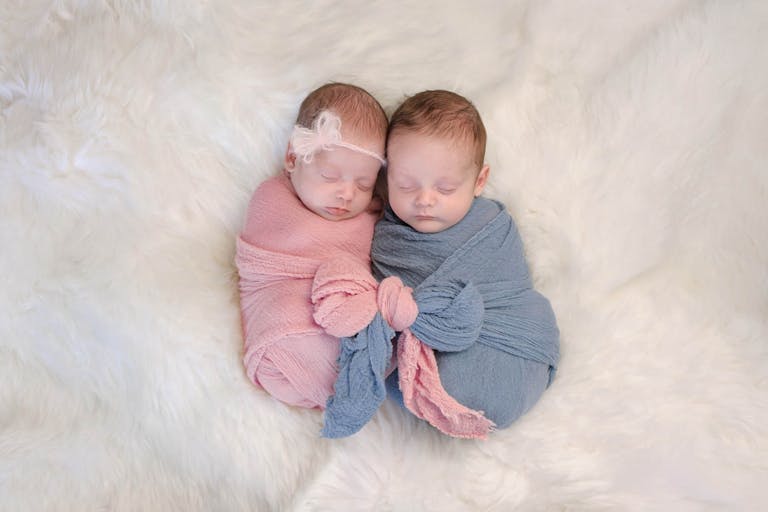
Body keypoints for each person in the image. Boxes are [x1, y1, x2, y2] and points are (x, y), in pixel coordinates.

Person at [323, 90, 560, 438]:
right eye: (405, 185)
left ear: (479, 181)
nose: (425, 200)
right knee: (402, 368)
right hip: (434, 364)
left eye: (446, 188)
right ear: (387, 179)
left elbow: (511, 288)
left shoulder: (493, 225)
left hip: (515, 339)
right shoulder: (387, 234)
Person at [235, 83, 388, 409]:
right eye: (330, 176)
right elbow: (266, 271)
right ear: (293, 156)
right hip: (280, 341)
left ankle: (344, 383)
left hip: (350, 345)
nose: (347, 194)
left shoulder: (374, 218)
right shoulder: (272, 198)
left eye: (364, 184)